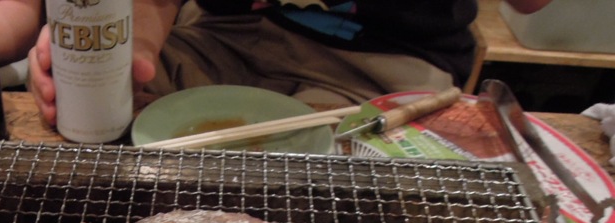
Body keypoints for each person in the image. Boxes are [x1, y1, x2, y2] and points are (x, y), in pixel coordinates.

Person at [29, 0, 555, 126]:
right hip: (230, 35)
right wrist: (130, 52)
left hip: (386, 64)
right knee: (112, 115)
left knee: (318, 186)